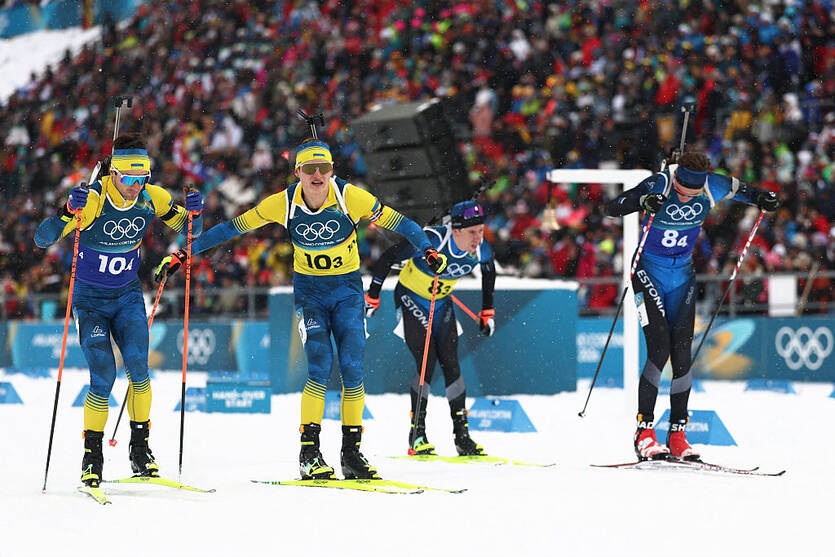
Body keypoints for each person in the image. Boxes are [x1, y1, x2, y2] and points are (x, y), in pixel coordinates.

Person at [155, 138, 447, 480]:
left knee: (353, 369)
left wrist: (427, 249)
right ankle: (309, 453)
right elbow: (231, 228)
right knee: (320, 367)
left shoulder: (350, 197)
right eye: (310, 168)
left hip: (347, 292)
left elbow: (404, 224)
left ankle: (352, 454)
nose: (317, 175)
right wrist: (183, 253)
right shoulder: (283, 203)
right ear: (298, 172)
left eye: (323, 168)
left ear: (332, 170)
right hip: (311, 295)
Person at [34, 132, 204, 487]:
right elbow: (42, 238)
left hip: (127, 297)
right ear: (113, 174)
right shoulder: (94, 201)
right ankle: (92, 458)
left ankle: (140, 451)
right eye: (129, 179)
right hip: (90, 302)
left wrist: (196, 212)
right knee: (103, 376)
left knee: (139, 371)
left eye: (142, 178)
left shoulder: (152, 198)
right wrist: (67, 212)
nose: (135, 187)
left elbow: (192, 230)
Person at [604, 151, 779, 461]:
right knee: (659, 348)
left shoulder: (713, 185)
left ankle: (677, 435)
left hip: (682, 275)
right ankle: (644, 432)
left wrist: (763, 198)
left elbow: (747, 192)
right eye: (681, 192)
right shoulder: (660, 183)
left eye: (692, 194)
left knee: (683, 354)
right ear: (676, 180)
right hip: (648, 272)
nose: (685, 199)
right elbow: (612, 207)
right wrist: (642, 202)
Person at [364, 200, 496, 456]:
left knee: (451, 363)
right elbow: (388, 257)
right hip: (411, 297)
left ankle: (462, 436)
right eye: (472, 232)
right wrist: (373, 296)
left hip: (441, 302)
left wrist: (487, 311)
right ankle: (417, 434)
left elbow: (489, 273)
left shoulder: (481, 249)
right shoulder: (432, 240)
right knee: (427, 361)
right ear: (456, 230)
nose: (478, 238)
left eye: (481, 231)